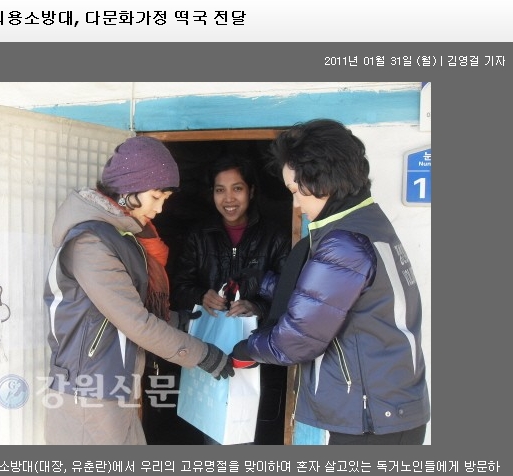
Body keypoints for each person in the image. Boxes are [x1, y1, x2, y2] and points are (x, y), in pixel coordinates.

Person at [230, 119, 431, 445]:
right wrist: (263, 284)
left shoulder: (344, 242)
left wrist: (247, 348)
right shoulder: (369, 223)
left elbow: (297, 340)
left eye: (295, 191)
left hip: (369, 419)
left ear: (322, 180)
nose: (296, 204)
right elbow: (331, 299)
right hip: (389, 409)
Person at [43, 136, 234, 445]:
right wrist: (203, 355)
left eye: (164, 199)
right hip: (88, 393)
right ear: (129, 188)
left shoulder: (119, 235)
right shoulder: (90, 243)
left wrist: (178, 321)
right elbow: (135, 321)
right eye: (156, 196)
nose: (159, 209)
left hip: (112, 386)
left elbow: (129, 309)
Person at [171, 153, 291, 444]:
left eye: (237, 188)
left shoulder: (275, 236)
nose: (229, 199)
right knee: (215, 423)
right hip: (212, 347)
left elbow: (291, 295)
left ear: (251, 190)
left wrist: (257, 307)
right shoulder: (199, 235)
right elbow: (178, 287)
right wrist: (201, 295)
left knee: (256, 425)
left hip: (261, 352)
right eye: (219, 189)